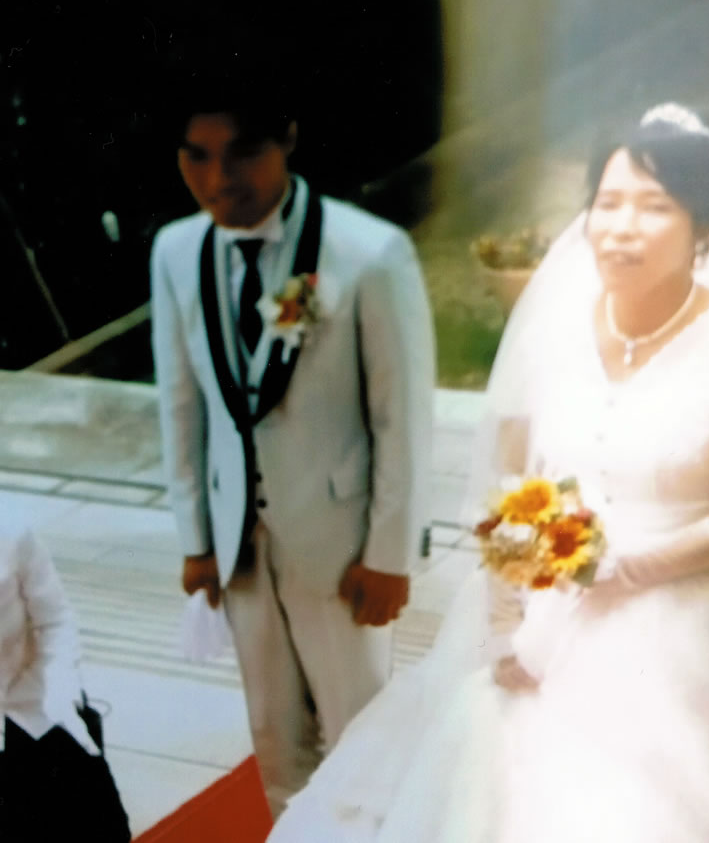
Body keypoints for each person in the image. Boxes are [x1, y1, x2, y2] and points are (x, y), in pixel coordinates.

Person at [268, 102, 709, 841]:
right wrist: (504, 619)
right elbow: (509, 486)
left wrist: (632, 568)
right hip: (550, 606)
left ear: (703, 224)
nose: (622, 227)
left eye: (654, 207)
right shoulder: (561, 326)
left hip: (693, 606)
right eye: (609, 202)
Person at [150, 81, 435, 816]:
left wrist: (390, 555)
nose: (219, 180)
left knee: (361, 737)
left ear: (287, 141)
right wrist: (196, 540)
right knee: (274, 738)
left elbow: (401, 419)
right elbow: (181, 405)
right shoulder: (176, 251)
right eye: (197, 157)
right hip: (240, 545)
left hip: (341, 545)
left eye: (242, 154)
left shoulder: (369, 253)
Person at [0, 522, 131, 842]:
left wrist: (60, 691)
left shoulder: (12, 530)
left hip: (29, 699)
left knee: (102, 823)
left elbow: (55, 619)